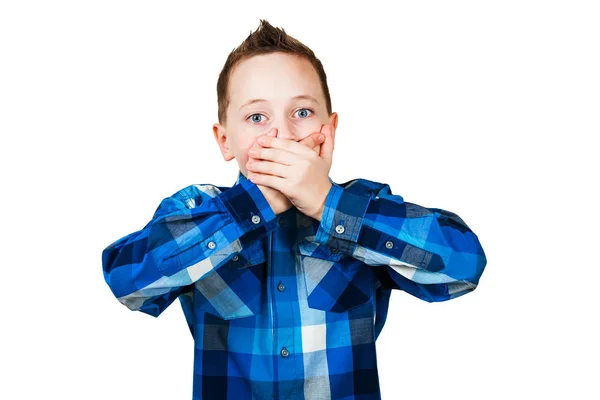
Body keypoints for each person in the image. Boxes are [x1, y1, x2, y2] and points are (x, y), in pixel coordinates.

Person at [101, 19, 487, 400]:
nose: (283, 135)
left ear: (330, 129)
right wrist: (254, 206)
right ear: (225, 141)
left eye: (301, 112)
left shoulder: (365, 207)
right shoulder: (197, 210)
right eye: (257, 118)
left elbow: (463, 265)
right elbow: (127, 281)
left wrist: (326, 203)